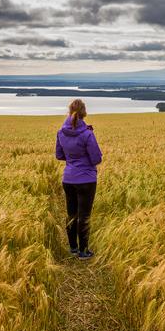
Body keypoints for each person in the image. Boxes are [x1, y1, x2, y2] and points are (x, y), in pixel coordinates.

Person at [55, 99, 103, 260]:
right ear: (84, 113)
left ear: (70, 112)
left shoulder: (61, 132)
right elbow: (96, 158)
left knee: (71, 214)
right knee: (84, 215)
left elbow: (59, 155)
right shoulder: (87, 134)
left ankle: (73, 248)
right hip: (86, 180)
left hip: (68, 180)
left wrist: (72, 158)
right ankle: (84, 251)